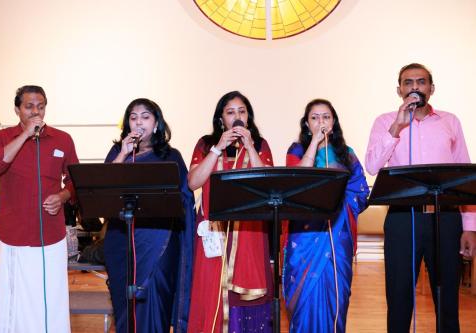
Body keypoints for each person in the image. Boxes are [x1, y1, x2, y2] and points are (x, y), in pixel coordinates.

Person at [365, 63, 476, 332]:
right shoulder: (385, 121)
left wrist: (470, 226)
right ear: (399, 90)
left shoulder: (450, 121)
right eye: (408, 82)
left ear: (431, 88)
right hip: (403, 219)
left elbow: (465, 174)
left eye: (421, 81)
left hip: (446, 218)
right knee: (399, 297)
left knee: (447, 297)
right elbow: (371, 166)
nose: (415, 86)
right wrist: (396, 128)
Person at [0, 85, 79, 333]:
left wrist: (63, 195)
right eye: (29, 106)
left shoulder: (62, 139)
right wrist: (24, 134)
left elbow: (75, 181)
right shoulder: (1, 138)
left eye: (41, 106)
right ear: (17, 110)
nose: (36, 111)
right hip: (14, 234)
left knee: (51, 296)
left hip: (51, 233)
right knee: (13, 297)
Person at [103, 98, 195, 333]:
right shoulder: (118, 152)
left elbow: (184, 198)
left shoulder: (170, 156)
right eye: (133, 117)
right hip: (121, 239)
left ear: (156, 124)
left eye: (145, 117)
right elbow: (102, 190)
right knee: (124, 302)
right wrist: (123, 154)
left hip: (159, 242)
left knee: (155, 302)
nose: (138, 122)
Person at [187, 91, 274, 332]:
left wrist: (250, 146)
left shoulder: (260, 144)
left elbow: (266, 184)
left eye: (242, 111)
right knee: (211, 290)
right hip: (213, 232)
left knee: (244, 295)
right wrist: (217, 149)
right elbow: (193, 182)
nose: (237, 116)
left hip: (249, 231)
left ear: (249, 117)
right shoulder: (206, 143)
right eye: (230, 112)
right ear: (221, 119)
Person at [283, 99, 369, 332]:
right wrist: (315, 143)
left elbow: (361, 192)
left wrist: (339, 203)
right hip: (304, 236)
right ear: (306, 123)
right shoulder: (297, 150)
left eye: (326, 117)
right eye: (314, 117)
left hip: (337, 235)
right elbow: (295, 181)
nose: (321, 121)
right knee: (303, 297)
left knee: (336, 296)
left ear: (334, 122)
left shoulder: (346, 155)